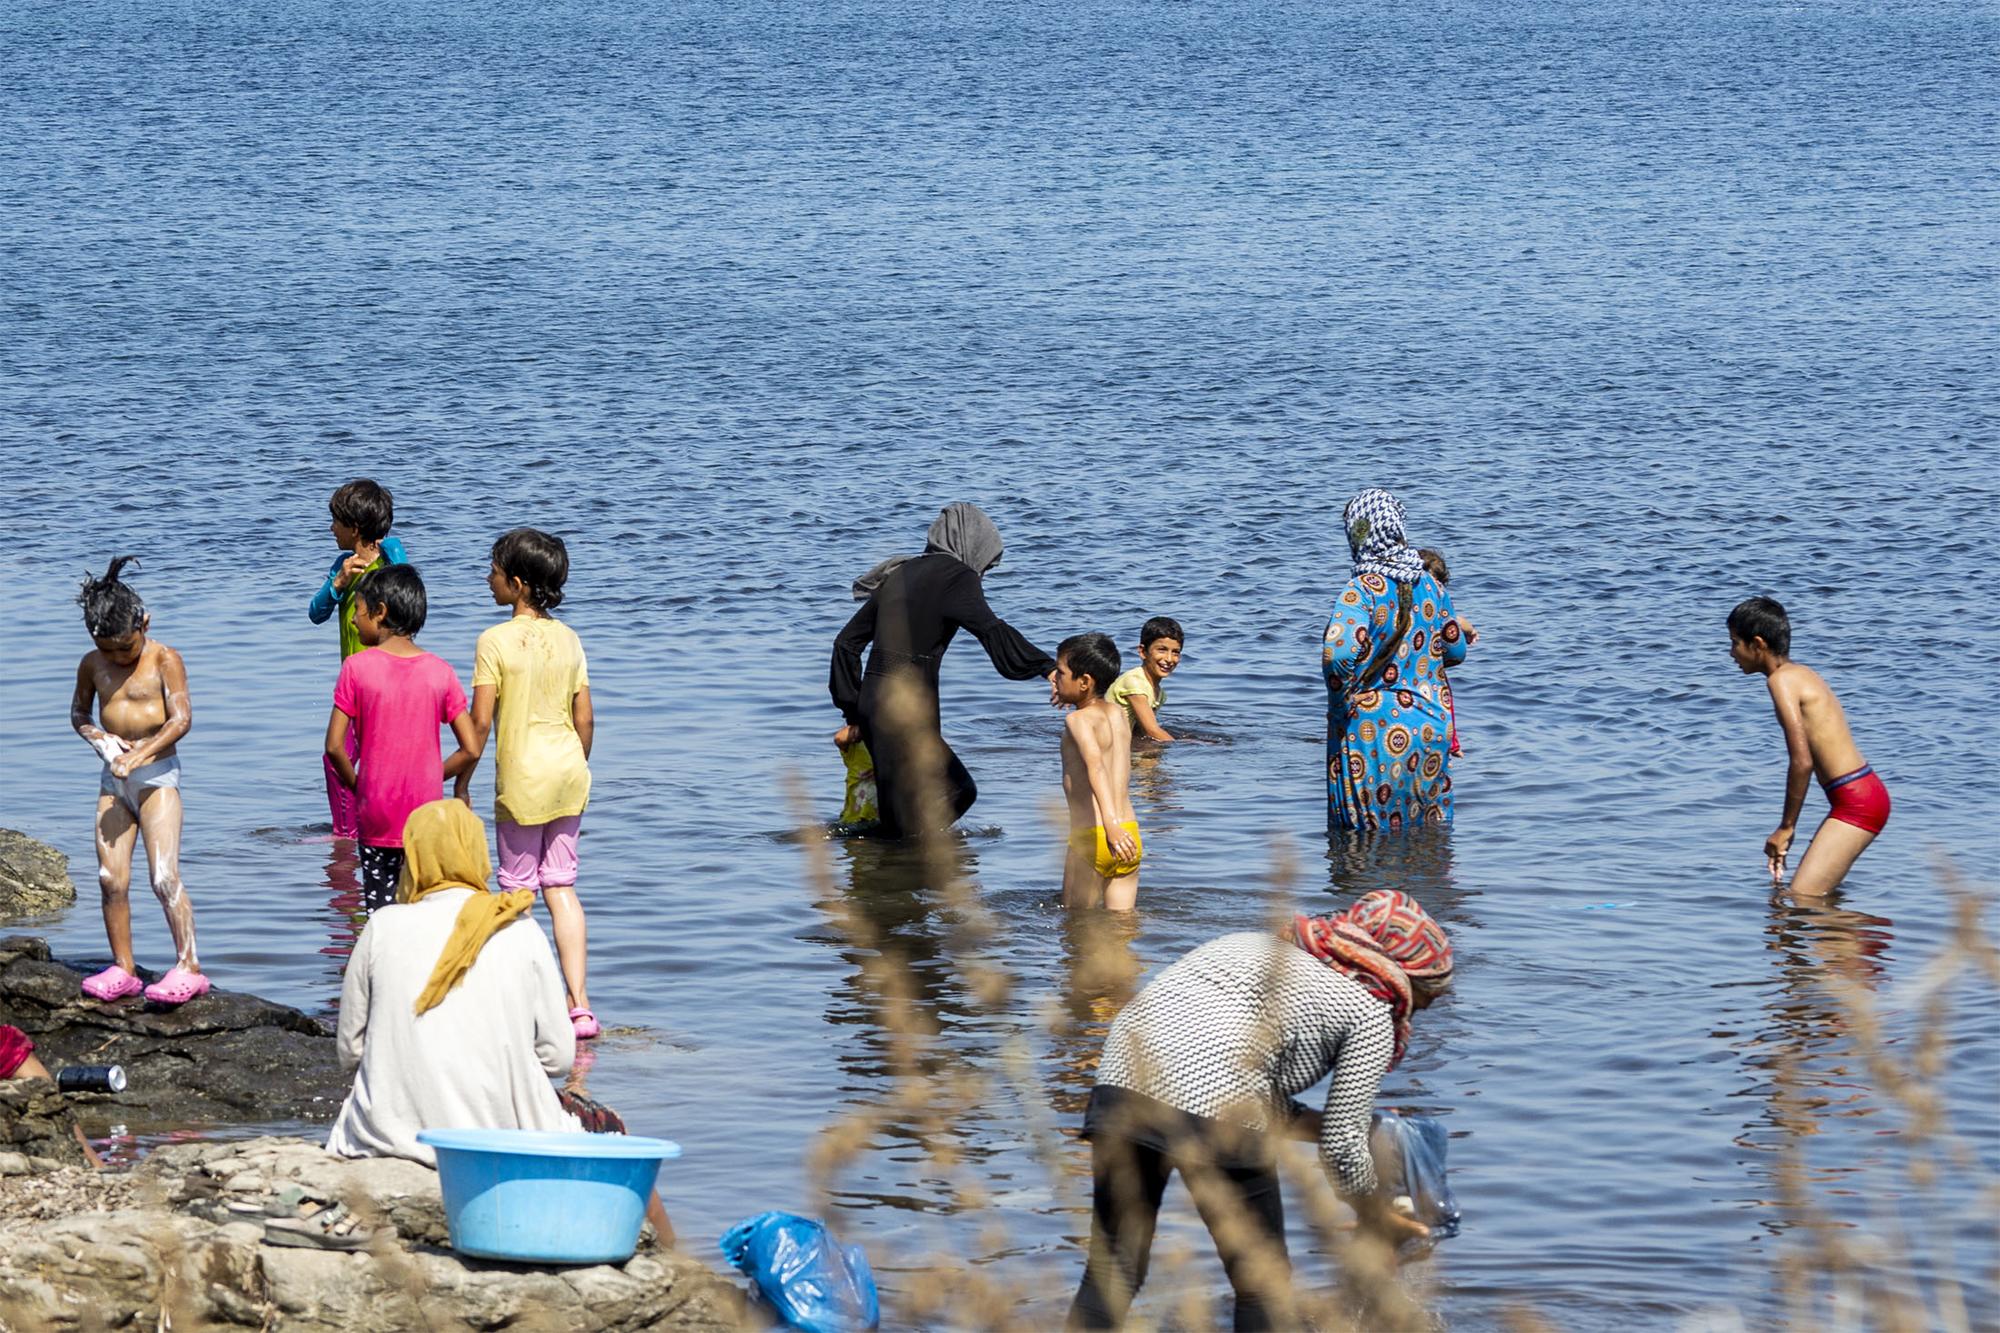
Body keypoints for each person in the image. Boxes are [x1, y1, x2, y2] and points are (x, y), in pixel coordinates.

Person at [1067, 891, 1452, 1331]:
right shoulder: (1370, 1015)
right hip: (1215, 1103)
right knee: (1261, 1285)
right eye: (1427, 998)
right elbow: (1342, 1147)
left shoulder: (1256, 945)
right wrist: (1374, 1215)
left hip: (1121, 1080)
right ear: (1407, 977)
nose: (1416, 1014)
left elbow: (1251, 1091)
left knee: (1114, 1269)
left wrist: (1358, 1128)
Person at [324, 800, 673, 1244]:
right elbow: (559, 1057)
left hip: (386, 1134)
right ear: (478, 854)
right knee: (612, 1130)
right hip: (499, 1134)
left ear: (412, 856)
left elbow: (349, 1051)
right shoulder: (516, 927)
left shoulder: (382, 926)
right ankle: (683, 1266)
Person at [830, 503, 1055, 838]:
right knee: (959, 790)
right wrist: (1045, 667)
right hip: (908, 703)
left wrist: (854, 710)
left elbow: (846, 643)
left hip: (873, 701)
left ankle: (886, 874)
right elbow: (990, 629)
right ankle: (908, 859)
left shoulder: (901, 573)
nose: (982, 571)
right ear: (972, 544)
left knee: (897, 806)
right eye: (986, 562)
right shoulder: (956, 576)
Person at [465, 529, 598, 1040]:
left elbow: (479, 725)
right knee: (562, 886)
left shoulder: (493, 641)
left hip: (521, 779)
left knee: (518, 892)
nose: (487, 577)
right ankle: (580, 1005)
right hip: (568, 773)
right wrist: (576, 764)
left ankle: (523, 1001)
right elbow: (584, 718)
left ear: (517, 584)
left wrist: (462, 781)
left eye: (494, 570)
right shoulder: (569, 638)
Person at [69, 557, 205, 1005]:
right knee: (111, 878)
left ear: (144, 623)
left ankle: (189, 966)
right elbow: (79, 714)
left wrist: (140, 755)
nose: (117, 658)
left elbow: (182, 719)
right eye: (108, 650)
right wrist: (101, 742)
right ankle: (124, 967)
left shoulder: (165, 659)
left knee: (164, 877)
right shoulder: (92, 664)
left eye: (125, 649)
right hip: (114, 782)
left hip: (157, 778)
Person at [324, 566, 478, 911]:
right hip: (426, 815)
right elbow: (471, 748)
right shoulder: (441, 671)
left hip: (376, 810)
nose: (352, 622)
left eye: (358, 612)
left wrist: (360, 785)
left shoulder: (356, 668)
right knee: (423, 911)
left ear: (380, 613)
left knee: (381, 914)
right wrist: (430, 776)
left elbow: (334, 746)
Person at [1323, 490, 1467, 833]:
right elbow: (1455, 650)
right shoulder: (1432, 586)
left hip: (1373, 731)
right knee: (1425, 836)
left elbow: (1337, 654)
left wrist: (1344, 700)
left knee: (1365, 839)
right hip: (1431, 726)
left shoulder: (1361, 590)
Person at [1728, 596, 1890, 895]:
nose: (1731, 653)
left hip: (1857, 802)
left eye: (1735, 642)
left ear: (1758, 644)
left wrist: (1786, 827)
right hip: (1861, 793)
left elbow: (1802, 761)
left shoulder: (1781, 681)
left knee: (1804, 898)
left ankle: (1867, 939)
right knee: (1809, 897)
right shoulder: (1801, 673)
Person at [307, 479, 410, 839]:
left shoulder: (392, 560)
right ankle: (346, 830)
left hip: (389, 683)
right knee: (336, 759)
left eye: (335, 522)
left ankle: (390, 823)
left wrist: (387, 555)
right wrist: (336, 585)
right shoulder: (342, 565)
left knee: (385, 761)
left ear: (353, 528)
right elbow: (315, 613)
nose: (330, 528)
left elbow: (408, 593)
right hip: (352, 685)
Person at [1053, 634, 1143, 911]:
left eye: (1060, 673)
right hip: (1129, 835)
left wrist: (1109, 825)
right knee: (1121, 930)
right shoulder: (1117, 713)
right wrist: (1118, 828)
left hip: (1095, 836)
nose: (1054, 678)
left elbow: (1096, 766)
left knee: (1076, 930)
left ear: (1084, 682)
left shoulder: (1076, 720)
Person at [1415, 550, 1477, 757]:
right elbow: (1454, 623)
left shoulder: (1402, 594)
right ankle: (1452, 744)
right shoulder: (1438, 596)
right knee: (1442, 697)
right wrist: (1469, 631)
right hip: (1429, 671)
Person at [1106, 617, 1182, 744]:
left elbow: (1141, 731)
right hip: (1106, 743)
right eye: (1162, 650)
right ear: (1142, 652)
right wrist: (1182, 747)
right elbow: (1152, 731)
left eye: (1175, 652)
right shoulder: (1134, 682)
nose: (1169, 659)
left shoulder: (1160, 693)